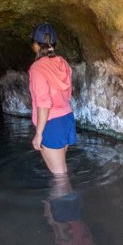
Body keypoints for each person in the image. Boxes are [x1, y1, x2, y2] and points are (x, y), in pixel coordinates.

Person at [28, 22, 76, 175]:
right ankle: (58, 199)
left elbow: (44, 103)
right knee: (62, 171)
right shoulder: (63, 62)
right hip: (67, 119)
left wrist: (39, 133)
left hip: (51, 124)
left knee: (60, 177)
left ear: (36, 45)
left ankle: (69, 199)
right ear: (53, 44)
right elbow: (68, 93)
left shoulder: (37, 68)